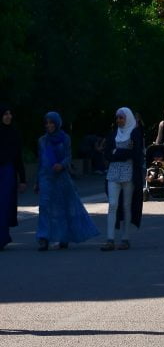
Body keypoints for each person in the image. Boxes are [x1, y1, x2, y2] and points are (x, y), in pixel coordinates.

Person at [35, 112, 98, 250]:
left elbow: (68, 156)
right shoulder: (42, 141)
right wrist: (37, 182)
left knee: (63, 207)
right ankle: (43, 238)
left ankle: (64, 236)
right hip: (45, 177)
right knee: (44, 206)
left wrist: (62, 165)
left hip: (61, 177)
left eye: (51, 122)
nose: (49, 125)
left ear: (57, 123)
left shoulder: (65, 138)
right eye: (46, 123)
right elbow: (40, 162)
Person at [101, 107, 144, 251]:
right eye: (117, 118)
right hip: (113, 173)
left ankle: (125, 238)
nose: (119, 120)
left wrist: (117, 153)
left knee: (126, 205)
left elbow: (136, 153)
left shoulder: (135, 133)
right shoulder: (113, 134)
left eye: (122, 117)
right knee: (112, 204)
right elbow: (107, 153)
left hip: (129, 173)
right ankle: (110, 239)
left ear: (128, 118)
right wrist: (124, 152)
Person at [0, 107, 27, 250]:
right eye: (5, 114)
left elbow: (18, 157)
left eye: (10, 113)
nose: (8, 116)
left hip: (7, 172)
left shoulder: (14, 133)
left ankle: (2, 237)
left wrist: (22, 179)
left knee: (4, 205)